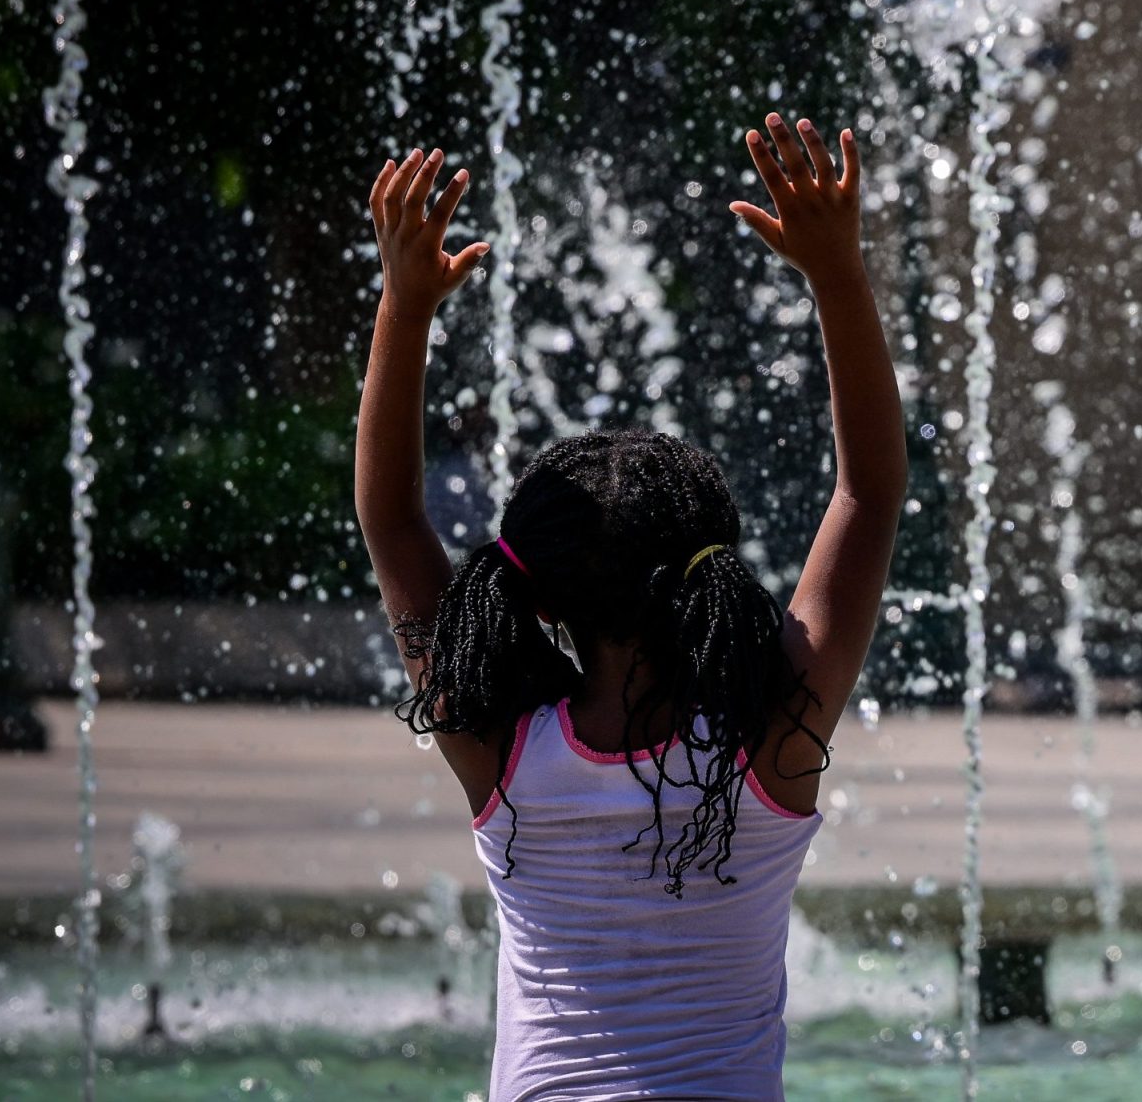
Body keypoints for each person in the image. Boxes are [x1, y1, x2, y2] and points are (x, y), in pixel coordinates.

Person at [353, 114, 904, 1100]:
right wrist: (836, 274)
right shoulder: (768, 737)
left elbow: (393, 520)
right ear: (707, 571)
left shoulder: (502, 748)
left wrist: (405, 303)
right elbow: (868, 491)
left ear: (540, 593)